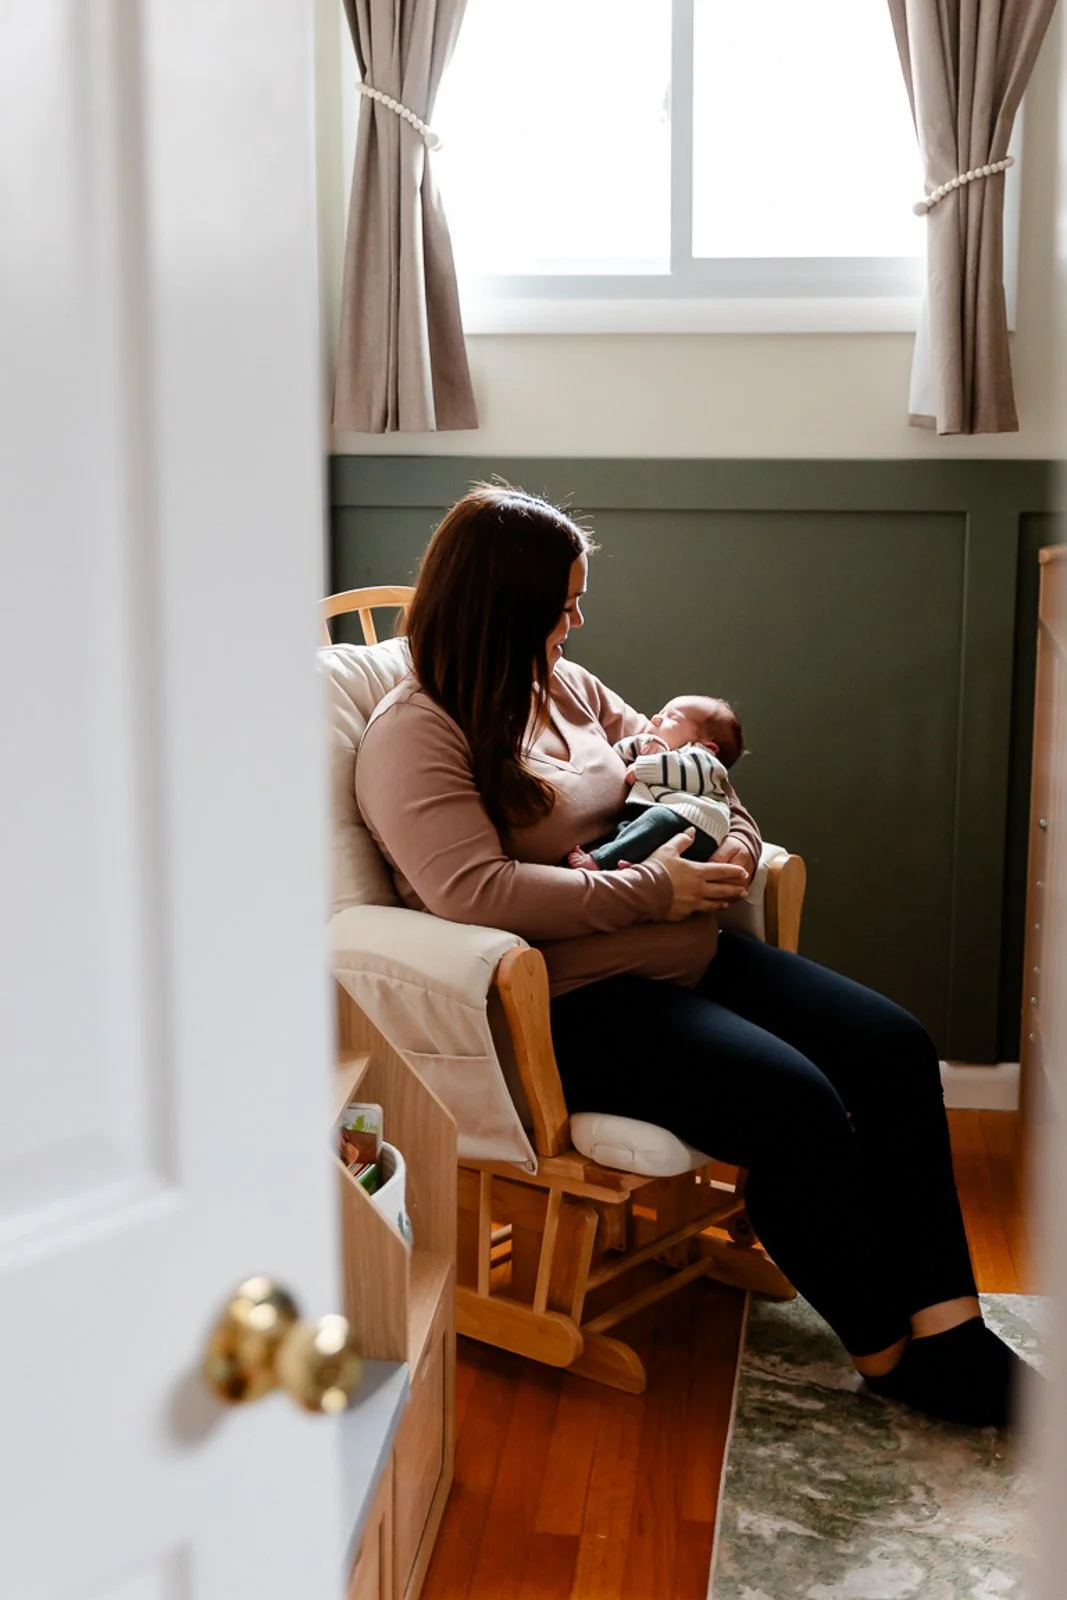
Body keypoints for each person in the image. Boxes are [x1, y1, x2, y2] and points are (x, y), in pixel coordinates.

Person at [356, 483, 1023, 1429]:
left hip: (690, 954)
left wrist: (739, 844)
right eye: (563, 604)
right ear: (501, 606)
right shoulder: (416, 734)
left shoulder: (564, 687)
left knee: (894, 1048)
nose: (578, 620)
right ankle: (890, 1357)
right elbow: (471, 892)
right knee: (793, 1106)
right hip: (574, 1004)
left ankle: (952, 1330)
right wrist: (651, 891)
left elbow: (697, 773)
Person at [567, 693, 744, 872]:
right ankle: (632, 865)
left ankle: (600, 861)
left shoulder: (703, 759)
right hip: (671, 823)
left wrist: (644, 767)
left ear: (709, 746)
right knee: (627, 828)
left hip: (697, 827)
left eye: (672, 717)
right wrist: (641, 744)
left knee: (659, 819)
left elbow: (684, 769)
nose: (656, 718)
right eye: (661, 712)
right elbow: (617, 752)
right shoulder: (656, 747)